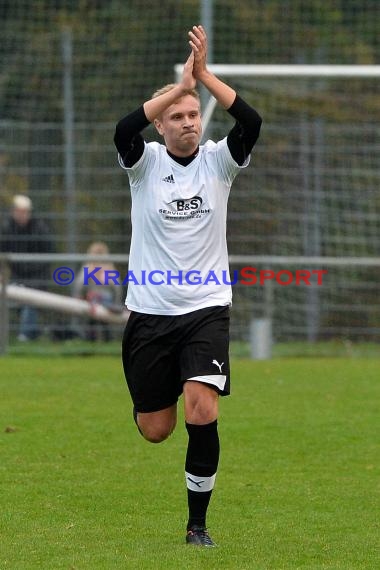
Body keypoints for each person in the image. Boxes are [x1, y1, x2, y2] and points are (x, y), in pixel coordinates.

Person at [114, 25, 262, 547]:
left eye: (194, 114)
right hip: (152, 313)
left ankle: (197, 526)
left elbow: (252, 120)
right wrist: (177, 88)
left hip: (205, 308)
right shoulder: (144, 164)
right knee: (157, 430)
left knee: (203, 407)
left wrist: (202, 78)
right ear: (162, 126)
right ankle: (160, 381)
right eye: (177, 116)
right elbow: (122, 131)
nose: (187, 123)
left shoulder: (219, 163)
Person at [0, 194, 53, 341]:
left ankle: (25, 335)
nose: (22, 215)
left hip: (38, 275)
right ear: (13, 211)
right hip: (16, 274)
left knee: (30, 296)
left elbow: (47, 255)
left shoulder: (40, 228)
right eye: (19, 211)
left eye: (25, 211)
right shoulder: (7, 228)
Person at [73, 241, 121, 341]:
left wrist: (77, 297)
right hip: (103, 301)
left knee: (93, 319)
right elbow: (117, 289)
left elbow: (79, 285)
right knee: (104, 320)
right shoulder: (109, 268)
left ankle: (91, 339)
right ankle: (106, 339)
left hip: (95, 301)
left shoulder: (89, 268)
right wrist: (117, 302)